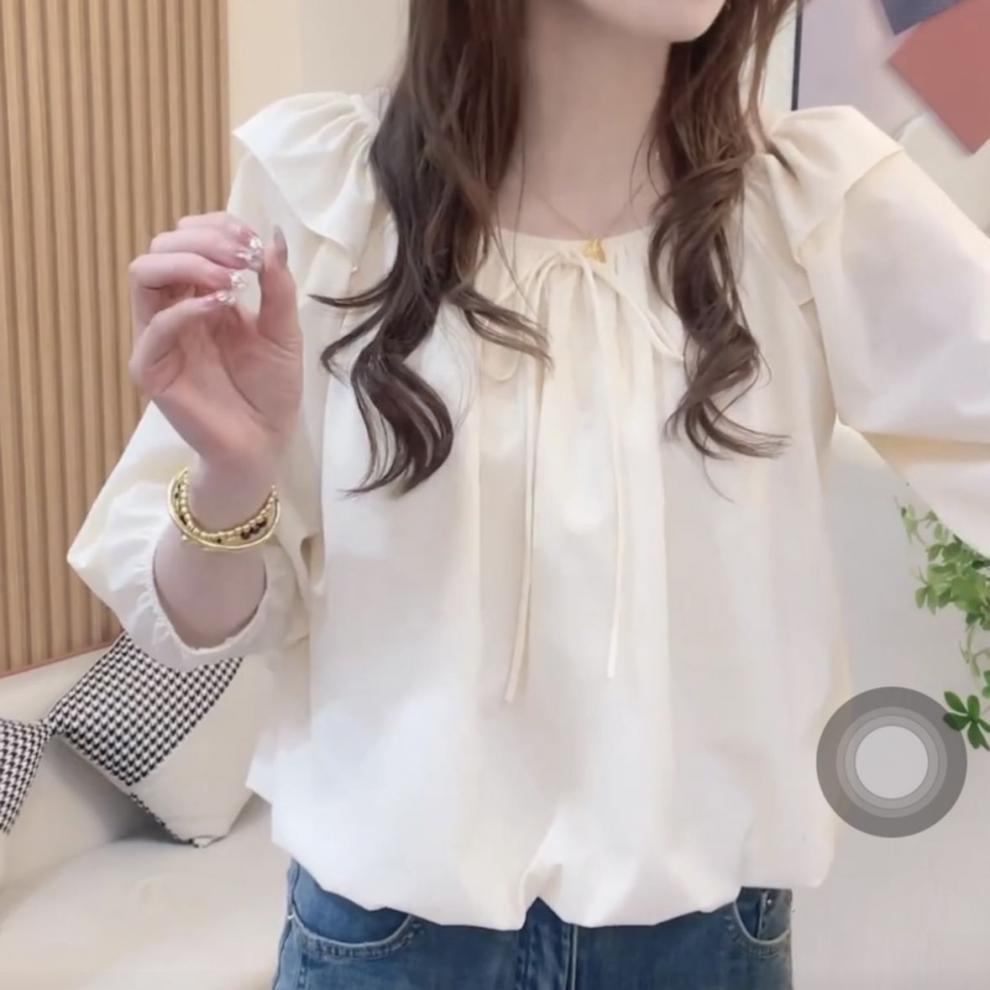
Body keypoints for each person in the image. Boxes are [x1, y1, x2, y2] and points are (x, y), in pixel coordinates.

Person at [67, 0, 990, 987]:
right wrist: (232, 475)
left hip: (702, 945)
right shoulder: (325, 192)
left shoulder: (814, 206)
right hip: (387, 945)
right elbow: (198, 623)